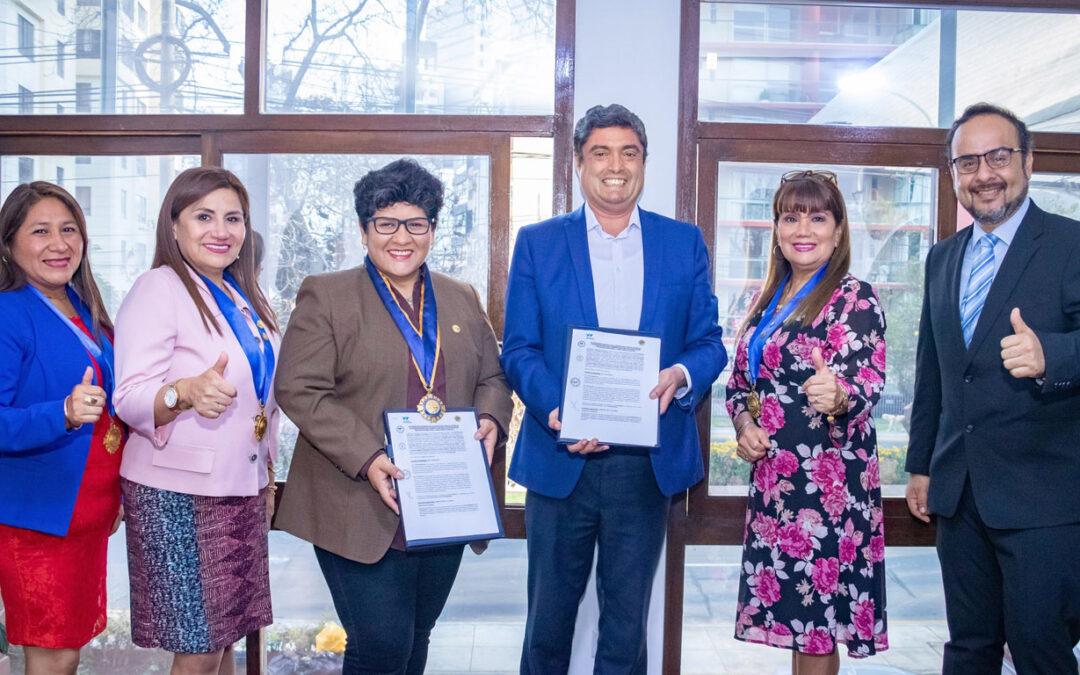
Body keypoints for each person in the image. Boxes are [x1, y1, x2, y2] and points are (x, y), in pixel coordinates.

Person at [501, 104, 727, 674]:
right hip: (561, 464)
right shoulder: (538, 243)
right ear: (579, 164)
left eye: (629, 152)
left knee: (626, 631)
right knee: (548, 626)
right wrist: (557, 412)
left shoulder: (684, 244)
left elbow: (708, 343)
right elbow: (519, 348)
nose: (616, 165)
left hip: (643, 468)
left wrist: (681, 376)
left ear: (644, 163)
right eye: (600, 152)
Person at [273, 158, 513, 675]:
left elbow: (493, 378)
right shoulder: (327, 295)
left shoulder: (460, 297)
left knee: (415, 640)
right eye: (386, 223)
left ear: (432, 229)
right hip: (358, 501)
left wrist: (491, 419)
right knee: (380, 648)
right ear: (364, 231)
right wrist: (369, 456)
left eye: (416, 223)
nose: (401, 237)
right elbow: (299, 388)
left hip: (445, 503)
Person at [906, 102, 1080, 673]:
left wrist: (1051, 353)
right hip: (960, 495)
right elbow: (933, 372)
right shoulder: (941, 259)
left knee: (1039, 649)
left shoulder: (1070, 245)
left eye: (998, 156)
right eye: (967, 162)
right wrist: (922, 466)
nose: (984, 174)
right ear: (954, 173)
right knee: (968, 647)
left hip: (1044, 500)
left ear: (1028, 162)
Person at [113, 167, 280, 675]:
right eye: (203, 216)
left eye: (233, 218)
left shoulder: (240, 294)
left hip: (240, 485)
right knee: (201, 646)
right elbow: (129, 396)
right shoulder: (158, 287)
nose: (221, 230)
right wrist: (182, 392)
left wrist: (265, 473)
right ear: (175, 224)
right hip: (179, 493)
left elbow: (261, 393)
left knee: (225, 637)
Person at [726, 170, 888, 673]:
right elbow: (740, 386)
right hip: (776, 486)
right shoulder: (766, 300)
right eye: (791, 216)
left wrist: (838, 395)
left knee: (817, 631)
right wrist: (744, 424)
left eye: (818, 217)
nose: (804, 228)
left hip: (830, 488)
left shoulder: (854, 298)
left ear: (838, 230)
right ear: (775, 228)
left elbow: (869, 383)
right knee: (802, 629)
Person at [0, 182, 125, 675]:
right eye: (41, 231)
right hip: (37, 518)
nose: (59, 243)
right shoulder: (8, 311)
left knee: (68, 646)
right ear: (9, 243)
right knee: (54, 654)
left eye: (69, 229)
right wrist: (63, 413)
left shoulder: (83, 305)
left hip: (87, 514)